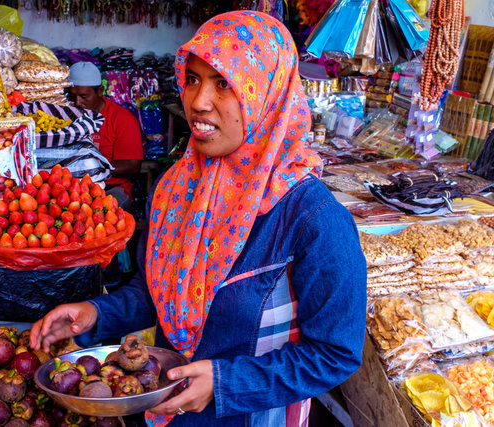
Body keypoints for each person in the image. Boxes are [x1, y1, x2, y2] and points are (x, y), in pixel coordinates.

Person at [31, 11, 367, 427]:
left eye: (223, 83)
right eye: (192, 79)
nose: (198, 102)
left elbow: (336, 354)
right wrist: (96, 314)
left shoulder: (313, 219)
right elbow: (155, 292)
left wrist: (227, 382)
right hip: (162, 412)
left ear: (269, 91)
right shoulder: (174, 190)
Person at [68, 61, 143, 210]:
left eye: (84, 96)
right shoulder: (65, 114)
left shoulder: (122, 119)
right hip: (73, 186)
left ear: (100, 91)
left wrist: (90, 168)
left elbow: (132, 166)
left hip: (111, 188)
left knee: (99, 214)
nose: (77, 102)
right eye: (72, 96)